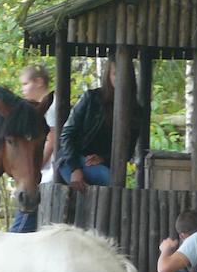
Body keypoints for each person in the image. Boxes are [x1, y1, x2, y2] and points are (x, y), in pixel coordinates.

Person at [56, 58, 140, 192]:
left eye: (124, 74)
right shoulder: (91, 98)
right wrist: (75, 169)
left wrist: (103, 158)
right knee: (107, 181)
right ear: (108, 75)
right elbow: (67, 135)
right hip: (72, 159)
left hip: (101, 165)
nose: (120, 79)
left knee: (112, 182)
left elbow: (128, 152)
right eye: (115, 74)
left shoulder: (135, 110)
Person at [10, 64, 56, 233]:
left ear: (38, 82)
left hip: (48, 177)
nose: (23, 89)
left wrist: (34, 168)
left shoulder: (50, 107)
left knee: (19, 231)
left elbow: (52, 141)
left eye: (25, 84)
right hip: (44, 177)